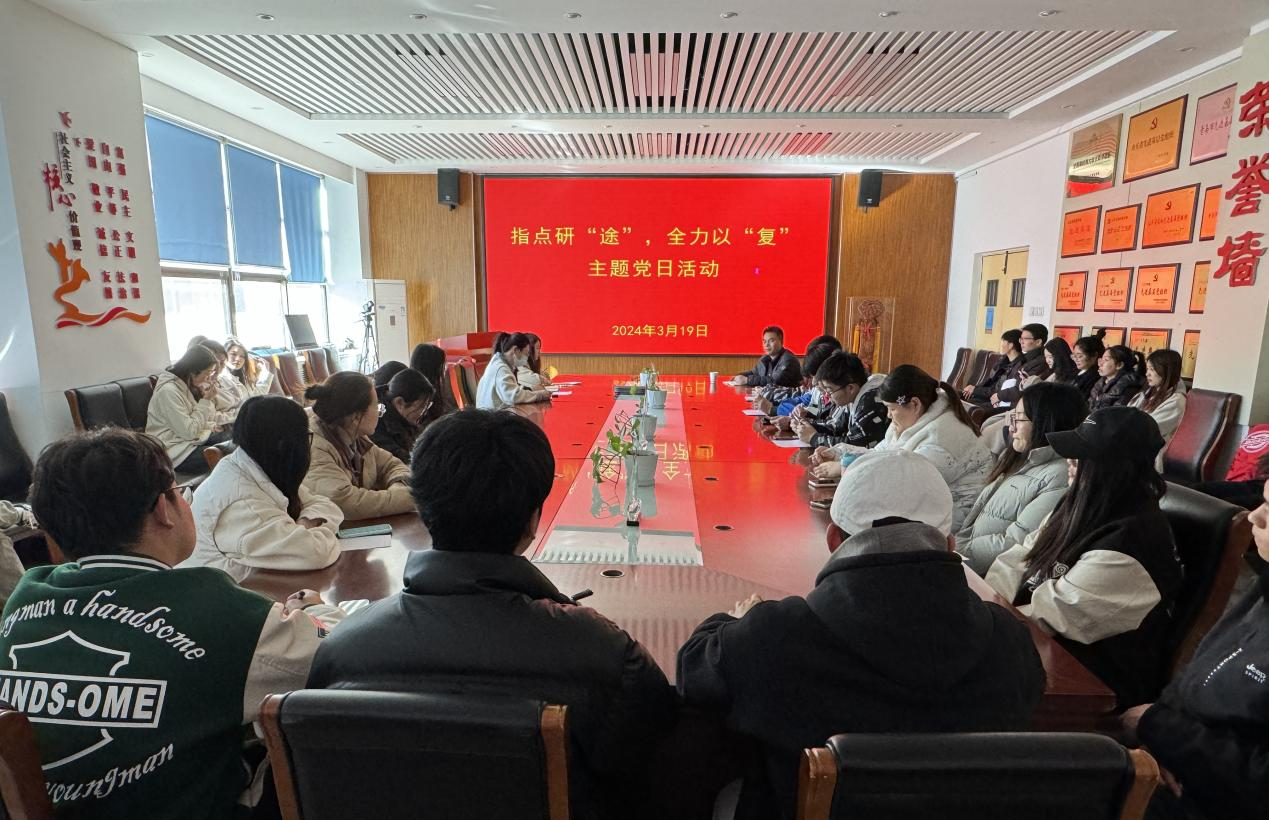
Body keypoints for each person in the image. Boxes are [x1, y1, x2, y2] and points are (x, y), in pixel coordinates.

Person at [307, 409, 676, 820]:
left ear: (423, 511)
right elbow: (659, 758)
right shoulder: (603, 654)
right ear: (533, 520)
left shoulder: (342, 650)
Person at [676, 450, 1045, 820]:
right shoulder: (1010, 642)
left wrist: (735, 621)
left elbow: (693, 672)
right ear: (949, 544)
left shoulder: (778, 636)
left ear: (833, 539)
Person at [0, 429, 343, 819]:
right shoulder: (209, 606)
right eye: (181, 492)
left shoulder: (24, 600)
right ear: (164, 509)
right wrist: (316, 609)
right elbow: (339, 654)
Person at [986, 406, 1183, 707]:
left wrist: (985, 621)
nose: (1070, 462)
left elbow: (1055, 614)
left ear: (1112, 468)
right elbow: (1018, 558)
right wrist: (989, 604)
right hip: (1032, 643)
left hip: (1089, 681)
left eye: (1081, 457)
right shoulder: (1080, 503)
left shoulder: (1131, 543)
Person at [1121, 480, 1268, 820]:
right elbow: (1196, 675)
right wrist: (1155, 745)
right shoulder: (1263, 588)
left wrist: (1159, 728)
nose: (1254, 516)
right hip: (1178, 770)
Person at [182, 395, 344, 581]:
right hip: (220, 593)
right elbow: (317, 553)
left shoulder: (254, 464)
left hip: (257, 585)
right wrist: (309, 529)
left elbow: (327, 506)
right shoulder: (241, 500)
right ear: (286, 445)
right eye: (305, 437)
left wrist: (306, 522)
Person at [819, 365, 991, 529]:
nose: (888, 415)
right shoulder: (911, 420)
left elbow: (903, 485)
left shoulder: (941, 437)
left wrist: (848, 468)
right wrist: (839, 454)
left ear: (915, 404)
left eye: (891, 409)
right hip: (923, 508)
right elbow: (879, 454)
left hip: (952, 520)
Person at [956, 382, 1087, 575]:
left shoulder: (1060, 476)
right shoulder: (1019, 458)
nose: (1011, 428)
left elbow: (1015, 544)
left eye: (1019, 419)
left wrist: (952, 554)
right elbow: (975, 514)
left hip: (986, 574)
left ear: (1046, 422)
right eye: (1013, 417)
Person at [304, 371, 414, 519]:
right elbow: (345, 503)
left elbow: (392, 465)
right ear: (356, 417)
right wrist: (409, 497)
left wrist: (398, 487)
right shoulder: (314, 447)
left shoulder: (356, 436)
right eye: (377, 406)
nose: (380, 411)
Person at [146, 344, 232, 473]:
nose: (209, 378)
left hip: (186, 442)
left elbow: (191, 419)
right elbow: (189, 431)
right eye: (208, 373)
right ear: (192, 372)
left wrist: (210, 425)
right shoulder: (168, 392)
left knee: (233, 435)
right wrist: (206, 400)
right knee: (227, 451)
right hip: (174, 452)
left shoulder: (183, 386)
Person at [797, 351, 889, 451]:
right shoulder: (852, 396)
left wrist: (814, 438)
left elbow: (854, 445)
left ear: (850, 388)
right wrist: (805, 426)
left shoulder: (871, 401)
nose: (827, 395)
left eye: (830, 390)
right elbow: (837, 427)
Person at [1130, 349, 1188, 471]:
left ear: (1166, 371)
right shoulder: (1148, 392)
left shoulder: (1176, 401)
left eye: (1152, 369)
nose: (1147, 374)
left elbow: (1148, 429)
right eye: (1147, 369)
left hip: (1150, 454)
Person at [370, 368, 435, 463]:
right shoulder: (375, 423)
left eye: (427, 406)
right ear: (399, 402)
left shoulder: (402, 420)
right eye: (422, 406)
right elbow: (398, 459)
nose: (424, 412)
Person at [475, 332, 552, 409]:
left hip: (495, 413)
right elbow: (513, 396)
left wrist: (532, 390)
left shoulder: (501, 364)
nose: (527, 357)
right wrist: (540, 395)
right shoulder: (501, 368)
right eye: (526, 353)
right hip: (492, 415)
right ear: (516, 350)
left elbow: (512, 390)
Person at [765, 343, 838, 420]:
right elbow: (815, 410)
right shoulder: (817, 391)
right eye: (811, 377)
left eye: (815, 377)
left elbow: (823, 417)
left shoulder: (837, 396)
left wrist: (773, 409)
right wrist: (805, 411)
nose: (813, 382)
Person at [992, 323, 1050, 409]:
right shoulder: (1025, 358)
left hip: (1017, 407)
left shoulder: (1041, 362)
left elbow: (1022, 388)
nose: (1021, 342)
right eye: (1021, 339)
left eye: (1025, 339)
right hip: (1006, 401)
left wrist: (999, 396)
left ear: (1038, 342)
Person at [961, 329, 1022, 405]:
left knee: (964, 404)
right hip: (985, 394)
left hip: (993, 400)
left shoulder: (1019, 367)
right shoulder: (1002, 361)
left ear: (1011, 345)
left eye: (1003, 341)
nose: (1001, 345)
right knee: (954, 395)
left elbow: (998, 390)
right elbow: (989, 380)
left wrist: (975, 390)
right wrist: (974, 388)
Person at [731, 325, 801, 388]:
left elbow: (774, 381)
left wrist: (747, 380)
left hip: (788, 397)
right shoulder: (764, 358)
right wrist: (739, 376)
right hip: (769, 396)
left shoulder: (788, 360)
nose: (766, 345)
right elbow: (754, 373)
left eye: (771, 341)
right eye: (764, 341)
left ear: (781, 341)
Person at [409, 342, 454, 428]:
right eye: (443, 367)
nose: (445, 372)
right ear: (436, 371)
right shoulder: (429, 404)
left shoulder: (410, 397)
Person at [1089, 344, 1145, 410]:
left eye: (1106, 360)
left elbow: (1115, 413)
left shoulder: (1129, 387)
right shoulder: (1100, 383)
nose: (1100, 364)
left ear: (1119, 365)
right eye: (1101, 359)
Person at [221, 337, 274, 406]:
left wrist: (265, 373)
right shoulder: (220, 379)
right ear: (224, 355)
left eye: (242, 356)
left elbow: (256, 397)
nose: (238, 359)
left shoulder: (243, 378)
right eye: (233, 354)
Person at [1071, 331, 1107, 398]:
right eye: (1074, 355)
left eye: (1079, 356)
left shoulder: (1095, 378)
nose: (1075, 359)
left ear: (1094, 356)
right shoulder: (1076, 372)